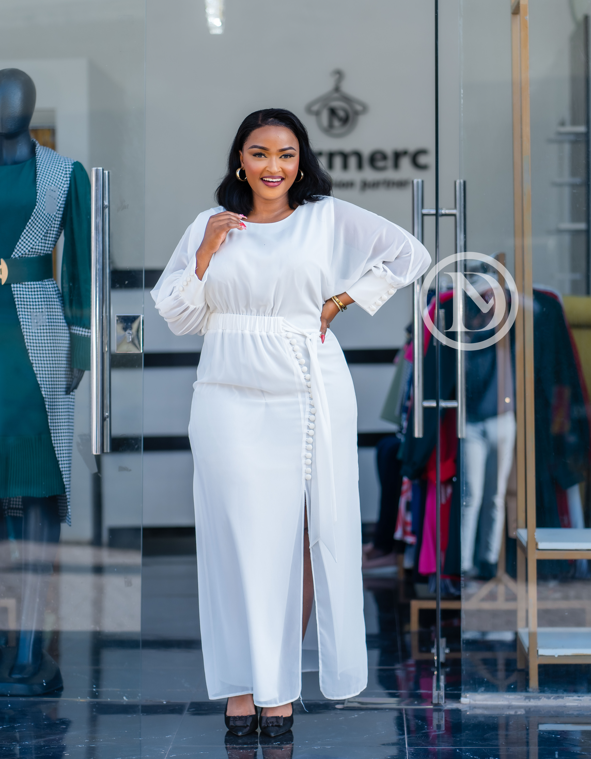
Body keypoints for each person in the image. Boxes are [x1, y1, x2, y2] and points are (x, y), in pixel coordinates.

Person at [151, 109, 430, 738]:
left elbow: (409, 253)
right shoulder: (210, 225)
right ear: (240, 161)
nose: (273, 166)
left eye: (285, 154)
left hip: (307, 386)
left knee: (301, 535)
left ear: (300, 160)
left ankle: (279, 690)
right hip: (224, 391)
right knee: (233, 541)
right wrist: (203, 254)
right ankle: (241, 686)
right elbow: (180, 316)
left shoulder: (326, 217)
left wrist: (340, 300)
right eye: (259, 153)